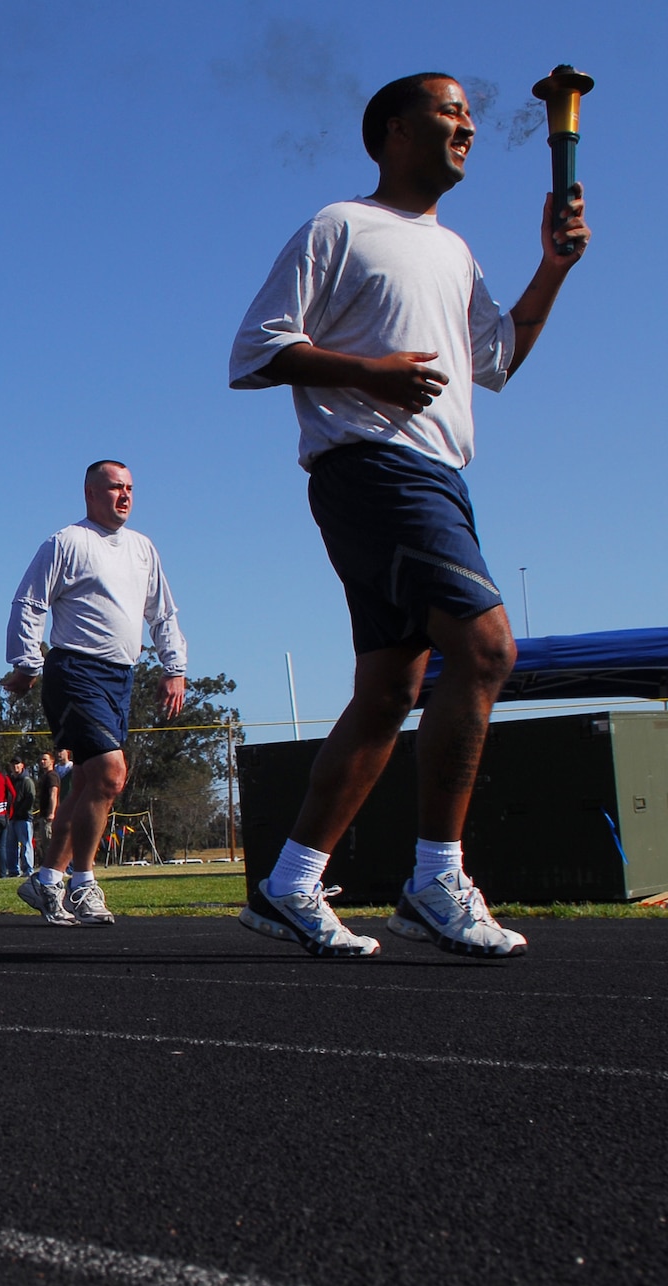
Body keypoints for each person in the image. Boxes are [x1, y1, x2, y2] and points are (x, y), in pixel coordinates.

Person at [229, 74, 587, 958]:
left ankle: (289, 884)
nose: (467, 123)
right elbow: (254, 350)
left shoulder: (457, 251)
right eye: (448, 110)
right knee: (488, 646)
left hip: (435, 472)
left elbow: (496, 358)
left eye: (469, 113)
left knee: (390, 690)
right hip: (373, 466)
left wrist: (554, 265)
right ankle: (435, 876)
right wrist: (368, 371)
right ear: (393, 131)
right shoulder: (339, 226)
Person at [2, 461, 187, 927]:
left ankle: (45, 879)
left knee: (85, 784)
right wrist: (27, 662)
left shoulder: (143, 548)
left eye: (129, 488)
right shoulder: (67, 541)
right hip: (74, 670)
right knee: (110, 774)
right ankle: (83, 883)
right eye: (113, 488)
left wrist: (174, 667)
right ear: (90, 493)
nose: (124, 496)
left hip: (121, 677)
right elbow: (29, 600)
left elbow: (162, 613)